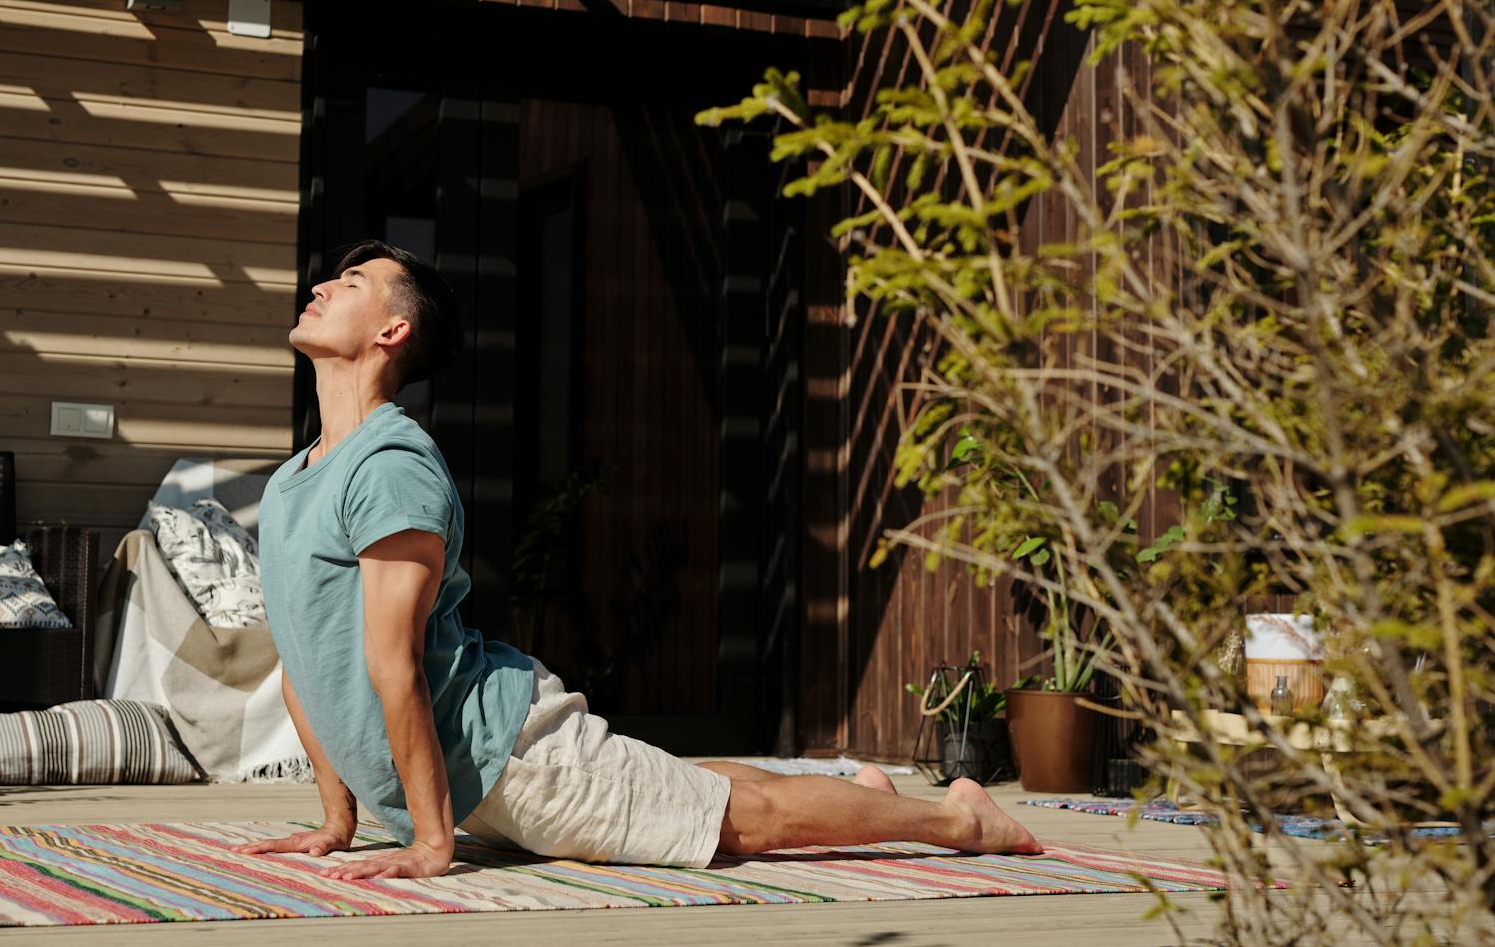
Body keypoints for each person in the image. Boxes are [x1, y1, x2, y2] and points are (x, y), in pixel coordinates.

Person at [238, 241, 1043, 880]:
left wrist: (431, 843)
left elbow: (395, 662)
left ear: (392, 332)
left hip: (513, 759)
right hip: (466, 777)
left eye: (351, 281)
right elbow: (301, 663)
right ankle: (858, 792)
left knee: (735, 824)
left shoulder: (389, 466)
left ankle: (958, 819)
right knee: (690, 789)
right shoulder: (291, 482)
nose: (322, 286)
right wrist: (337, 818)